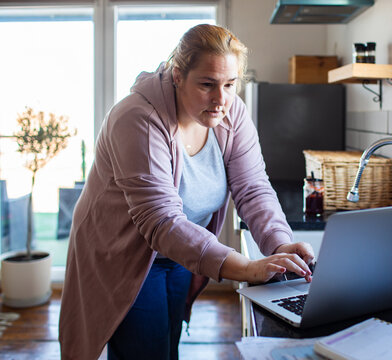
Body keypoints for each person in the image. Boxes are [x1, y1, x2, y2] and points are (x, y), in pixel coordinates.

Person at [58, 24, 314, 360]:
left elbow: (252, 187)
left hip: (181, 250)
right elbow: (161, 222)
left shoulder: (230, 111)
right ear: (178, 75)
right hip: (123, 251)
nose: (221, 99)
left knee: (168, 345)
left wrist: (281, 243)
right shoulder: (137, 119)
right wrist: (248, 268)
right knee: (144, 351)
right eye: (207, 84)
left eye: (230, 84)